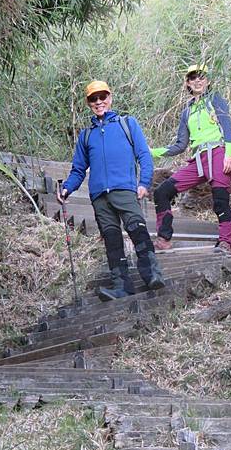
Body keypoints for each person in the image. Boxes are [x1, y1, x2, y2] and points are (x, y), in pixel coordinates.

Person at [58, 80, 165, 301]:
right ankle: (121, 286)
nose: (99, 102)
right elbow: (78, 169)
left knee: (137, 229)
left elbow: (144, 155)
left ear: (110, 97)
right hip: (99, 196)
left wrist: (144, 182)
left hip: (125, 189)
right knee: (111, 239)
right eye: (93, 99)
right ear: (89, 103)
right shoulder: (86, 136)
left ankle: (153, 275)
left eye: (102, 97)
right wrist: (67, 188)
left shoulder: (127, 124)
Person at [151, 65, 231, 252]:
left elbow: (227, 126)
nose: (197, 80)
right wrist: (151, 152)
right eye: (193, 78)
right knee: (162, 192)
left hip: (218, 153)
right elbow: (180, 145)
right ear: (188, 83)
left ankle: (225, 242)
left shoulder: (215, 99)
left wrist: (229, 154)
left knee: (220, 199)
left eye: (201, 77)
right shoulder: (187, 111)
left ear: (208, 81)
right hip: (198, 160)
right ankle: (164, 239)